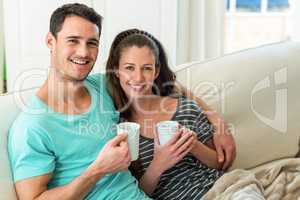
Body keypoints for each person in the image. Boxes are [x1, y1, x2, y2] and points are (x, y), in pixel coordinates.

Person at [7, 4, 151, 200]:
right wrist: (98, 170)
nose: (84, 52)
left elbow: (164, 83)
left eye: (92, 43)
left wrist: (208, 117)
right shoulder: (32, 126)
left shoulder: (102, 85)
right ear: (51, 41)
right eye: (73, 41)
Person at [105, 29, 264, 200]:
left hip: (220, 191)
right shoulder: (119, 127)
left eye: (147, 68)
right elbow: (133, 194)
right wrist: (158, 165)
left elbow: (219, 163)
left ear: (156, 71)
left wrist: (193, 144)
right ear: (116, 70)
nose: (138, 77)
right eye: (129, 67)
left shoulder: (183, 107)